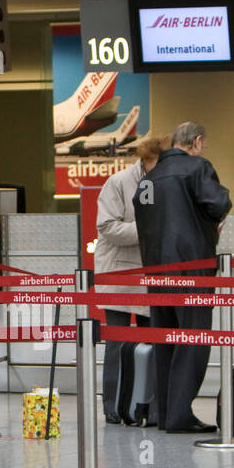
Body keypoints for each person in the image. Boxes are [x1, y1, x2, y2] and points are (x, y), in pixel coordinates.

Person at [132, 121, 232, 433]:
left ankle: (163, 412)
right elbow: (219, 203)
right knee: (193, 339)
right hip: (191, 267)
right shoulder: (197, 168)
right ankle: (179, 414)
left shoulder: (150, 177)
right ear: (198, 141)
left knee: (165, 340)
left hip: (156, 269)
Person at [97, 135, 166, 424]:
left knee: (153, 343)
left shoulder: (163, 183)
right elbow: (107, 226)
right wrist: (148, 229)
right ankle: (113, 406)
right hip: (119, 274)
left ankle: (146, 404)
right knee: (118, 343)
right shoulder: (119, 182)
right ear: (146, 159)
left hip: (150, 275)